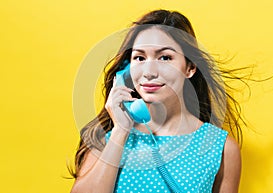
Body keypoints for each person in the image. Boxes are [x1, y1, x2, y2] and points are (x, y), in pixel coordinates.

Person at [70, 9, 243, 193]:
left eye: (165, 58)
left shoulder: (221, 147)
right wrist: (120, 132)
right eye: (139, 58)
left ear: (190, 68)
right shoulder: (107, 138)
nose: (149, 72)